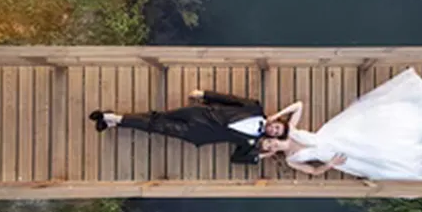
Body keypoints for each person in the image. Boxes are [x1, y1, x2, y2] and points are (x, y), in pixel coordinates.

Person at [257, 68, 422, 179]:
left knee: (384, 124)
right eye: (269, 147)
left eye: (269, 142)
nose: (272, 145)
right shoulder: (291, 160)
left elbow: (298, 105)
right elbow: (313, 171)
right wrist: (329, 164)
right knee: (383, 157)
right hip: (340, 156)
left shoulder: (291, 131)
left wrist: (274, 116)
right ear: (270, 154)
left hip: (335, 134)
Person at [89, 89, 292, 166]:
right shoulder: (254, 107)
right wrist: (204, 95)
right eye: (276, 128)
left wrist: (263, 154)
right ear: (275, 122)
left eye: (276, 134)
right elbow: (229, 99)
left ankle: (111, 117)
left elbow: (236, 159)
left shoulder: (250, 143)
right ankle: (112, 121)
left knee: (156, 127)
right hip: (200, 114)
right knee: (158, 117)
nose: (273, 131)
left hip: (197, 134)